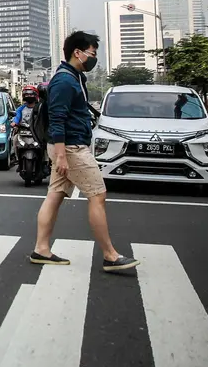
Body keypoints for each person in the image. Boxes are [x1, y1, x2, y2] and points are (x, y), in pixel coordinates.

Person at [32, 31, 139, 272]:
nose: (93, 58)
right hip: (70, 147)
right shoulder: (64, 81)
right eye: (91, 53)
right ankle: (110, 255)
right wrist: (61, 156)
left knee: (55, 194)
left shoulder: (75, 77)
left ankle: (41, 248)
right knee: (97, 195)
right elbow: (57, 120)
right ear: (77, 53)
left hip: (70, 145)